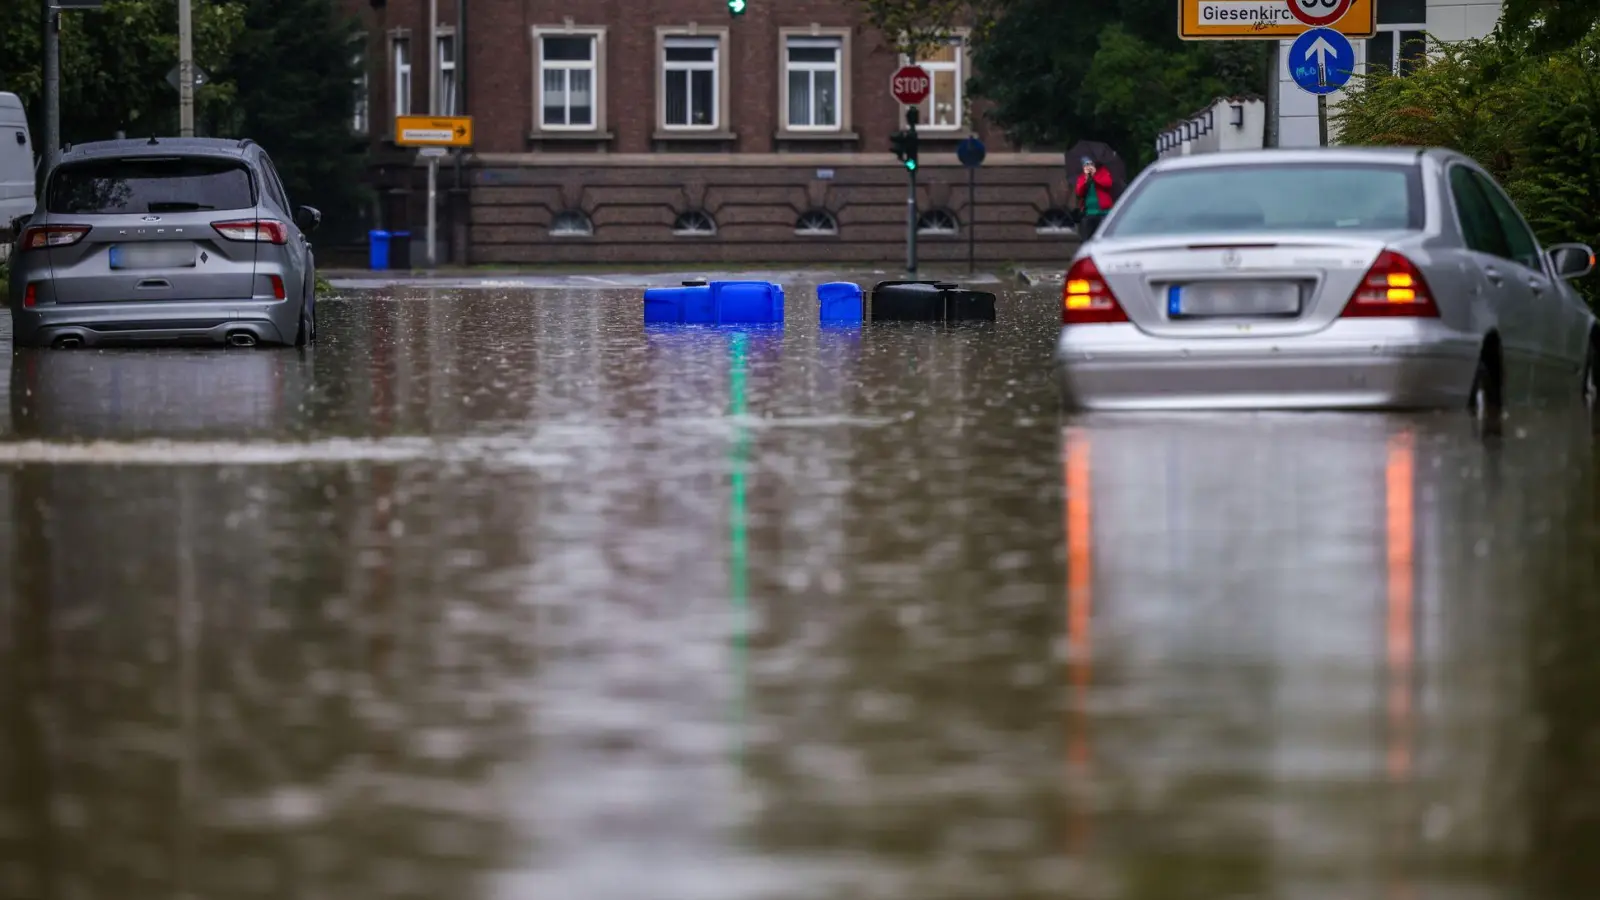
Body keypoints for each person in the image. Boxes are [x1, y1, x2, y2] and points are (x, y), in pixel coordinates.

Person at [1074, 156, 1115, 241]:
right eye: (1086, 165)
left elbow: (1108, 184)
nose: (1088, 167)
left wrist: (1094, 176)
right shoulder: (1082, 177)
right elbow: (1079, 192)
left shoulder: (1103, 172)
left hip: (1103, 211)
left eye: (1090, 164)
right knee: (1087, 238)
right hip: (1089, 212)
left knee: (1103, 238)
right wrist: (1086, 180)